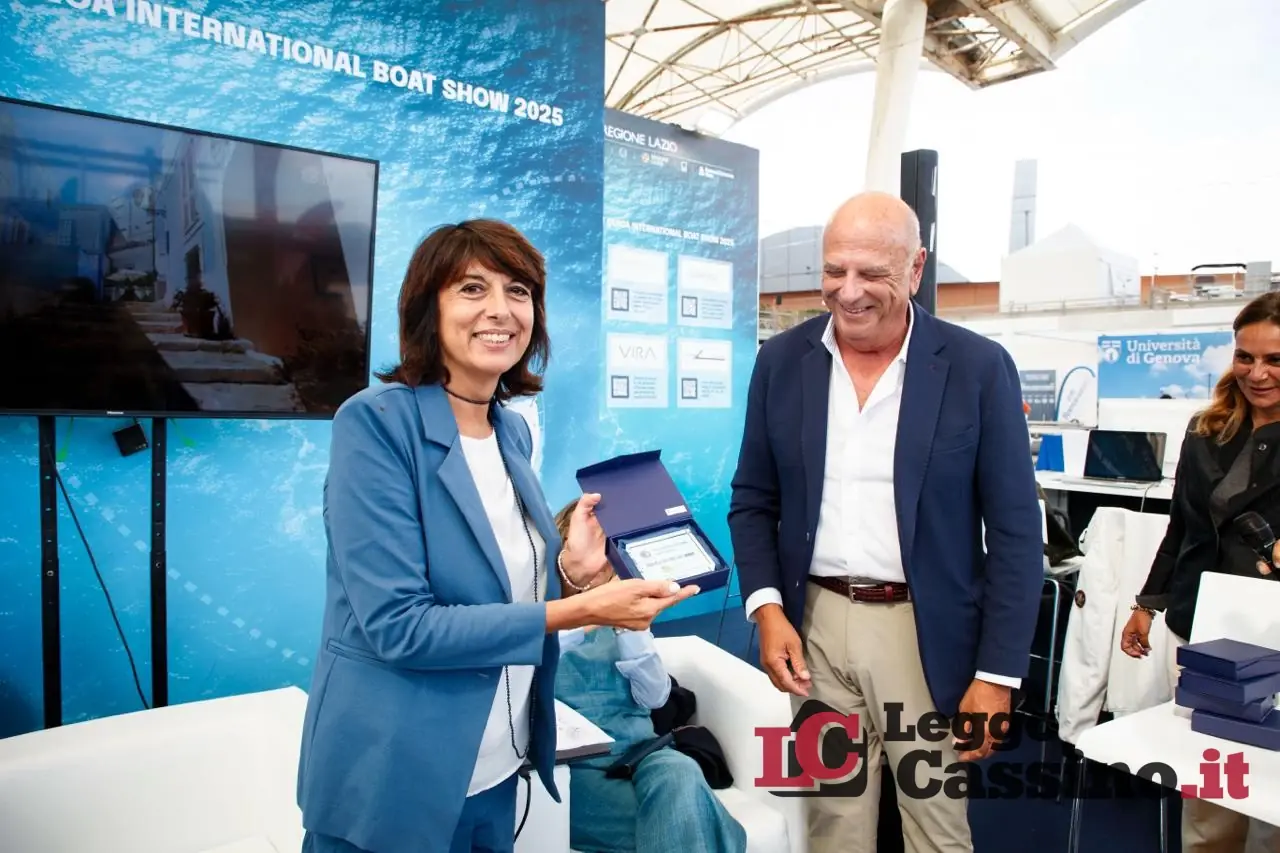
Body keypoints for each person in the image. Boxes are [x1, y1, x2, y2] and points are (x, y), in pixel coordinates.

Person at [296, 219, 697, 853]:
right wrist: (586, 609)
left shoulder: (512, 430)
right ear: (428, 307)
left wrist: (572, 574)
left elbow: (503, 592)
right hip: (396, 774)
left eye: (518, 291)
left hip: (498, 767)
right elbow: (400, 627)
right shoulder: (375, 424)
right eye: (471, 288)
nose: (500, 310)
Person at [728, 191, 1044, 853]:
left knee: (936, 827)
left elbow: (1017, 533)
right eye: (834, 270)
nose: (848, 292)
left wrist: (997, 675)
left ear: (916, 268)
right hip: (812, 628)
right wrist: (767, 609)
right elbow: (754, 499)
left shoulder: (977, 368)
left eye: (872, 273)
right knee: (832, 823)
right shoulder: (780, 362)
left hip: (923, 633)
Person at [1120, 291, 1280, 853]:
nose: (1256, 373)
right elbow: (1181, 527)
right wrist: (1147, 604)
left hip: (1273, 633)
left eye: (1275, 360)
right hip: (1204, 626)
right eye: (1245, 357)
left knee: (1271, 795)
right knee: (1212, 781)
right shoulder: (1205, 429)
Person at [552, 500, 748, 853]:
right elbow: (532, 660)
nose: (598, 567)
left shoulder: (631, 618)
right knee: (686, 823)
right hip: (574, 771)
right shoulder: (541, 621)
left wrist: (630, 628)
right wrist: (591, 613)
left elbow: (655, 697)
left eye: (609, 554)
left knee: (681, 773)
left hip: (644, 752)